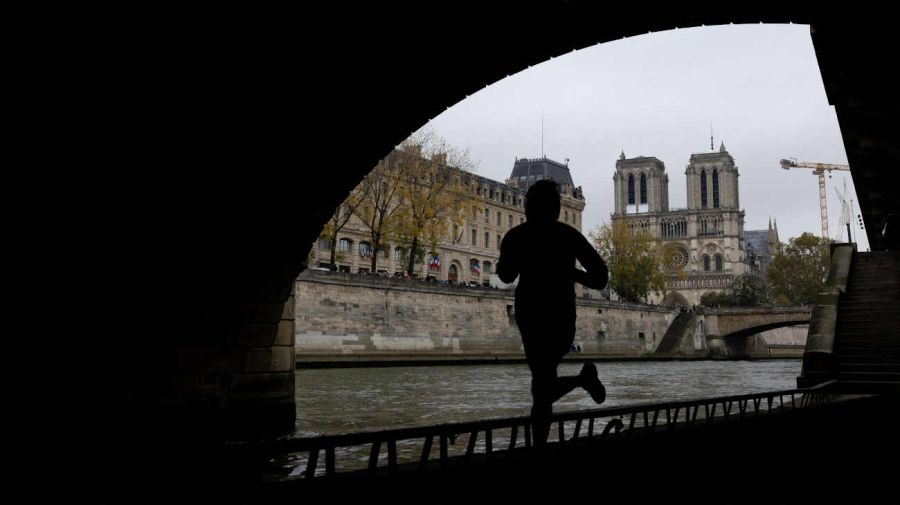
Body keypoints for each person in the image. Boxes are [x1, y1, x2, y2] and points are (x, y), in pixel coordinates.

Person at [497, 179, 609, 447]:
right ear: (557, 208)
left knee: (541, 385)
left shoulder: (517, 236)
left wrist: (518, 257)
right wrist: (568, 271)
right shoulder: (568, 236)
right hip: (560, 315)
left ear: (527, 207)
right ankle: (581, 382)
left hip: (531, 314)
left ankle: (540, 444)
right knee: (541, 384)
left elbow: (505, 275)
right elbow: (600, 277)